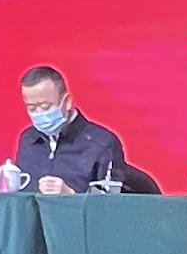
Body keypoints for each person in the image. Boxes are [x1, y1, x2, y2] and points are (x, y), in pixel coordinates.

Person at [16, 65, 127, 195]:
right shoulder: (29, 139)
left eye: (45, 106)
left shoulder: (101, 143)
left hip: (77, 209)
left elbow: (110, 201)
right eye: (31, 108)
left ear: (67, 102)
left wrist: (70, 195)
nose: (39, 113)